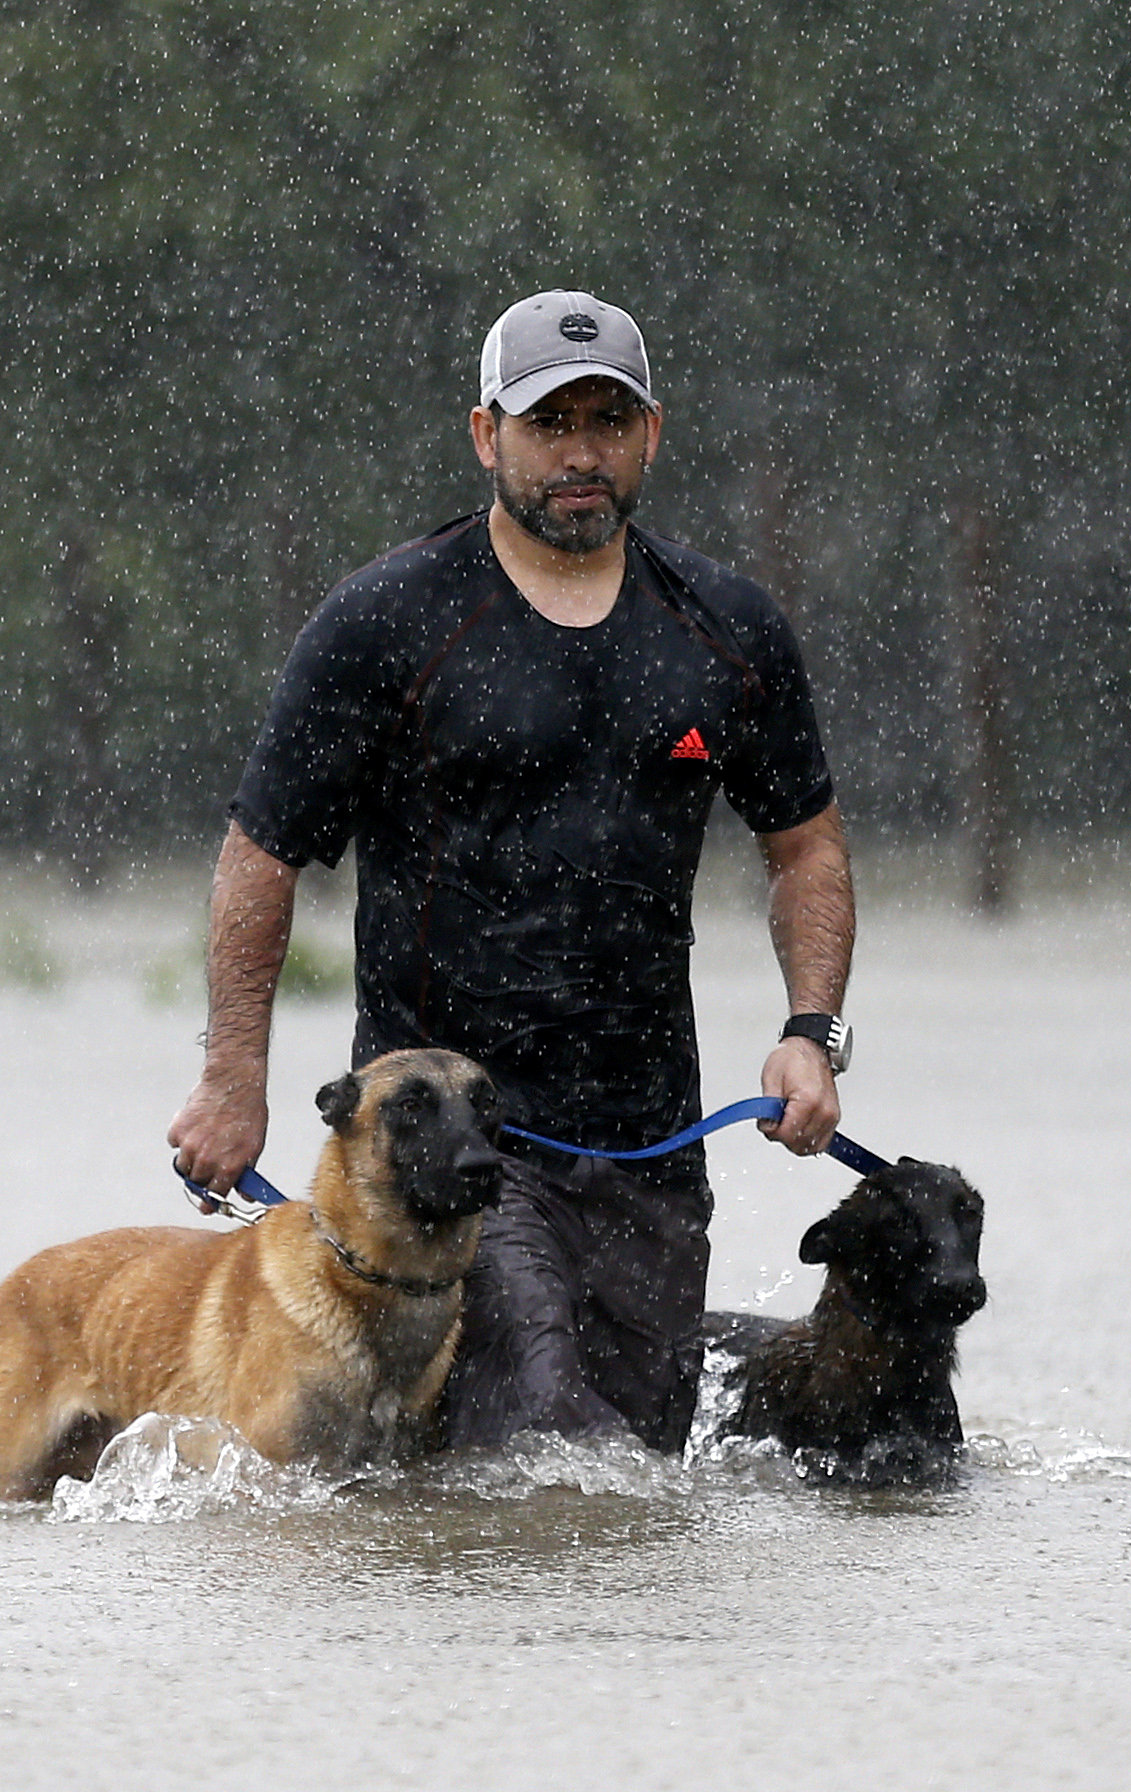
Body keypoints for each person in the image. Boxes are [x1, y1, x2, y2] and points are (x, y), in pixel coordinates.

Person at [168, 290, 856, 1453]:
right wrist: (235, 1074)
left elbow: (806, 846)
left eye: (606, 419)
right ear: (486, 434)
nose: (580, 451)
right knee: (544, 1445)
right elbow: (260, 852)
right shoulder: (386, 619)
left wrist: (809, 1028)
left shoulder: (725, 628)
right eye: (548, 422)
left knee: (634, 1473)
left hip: (648, 1135)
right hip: (440, 1138)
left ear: (651, 433)